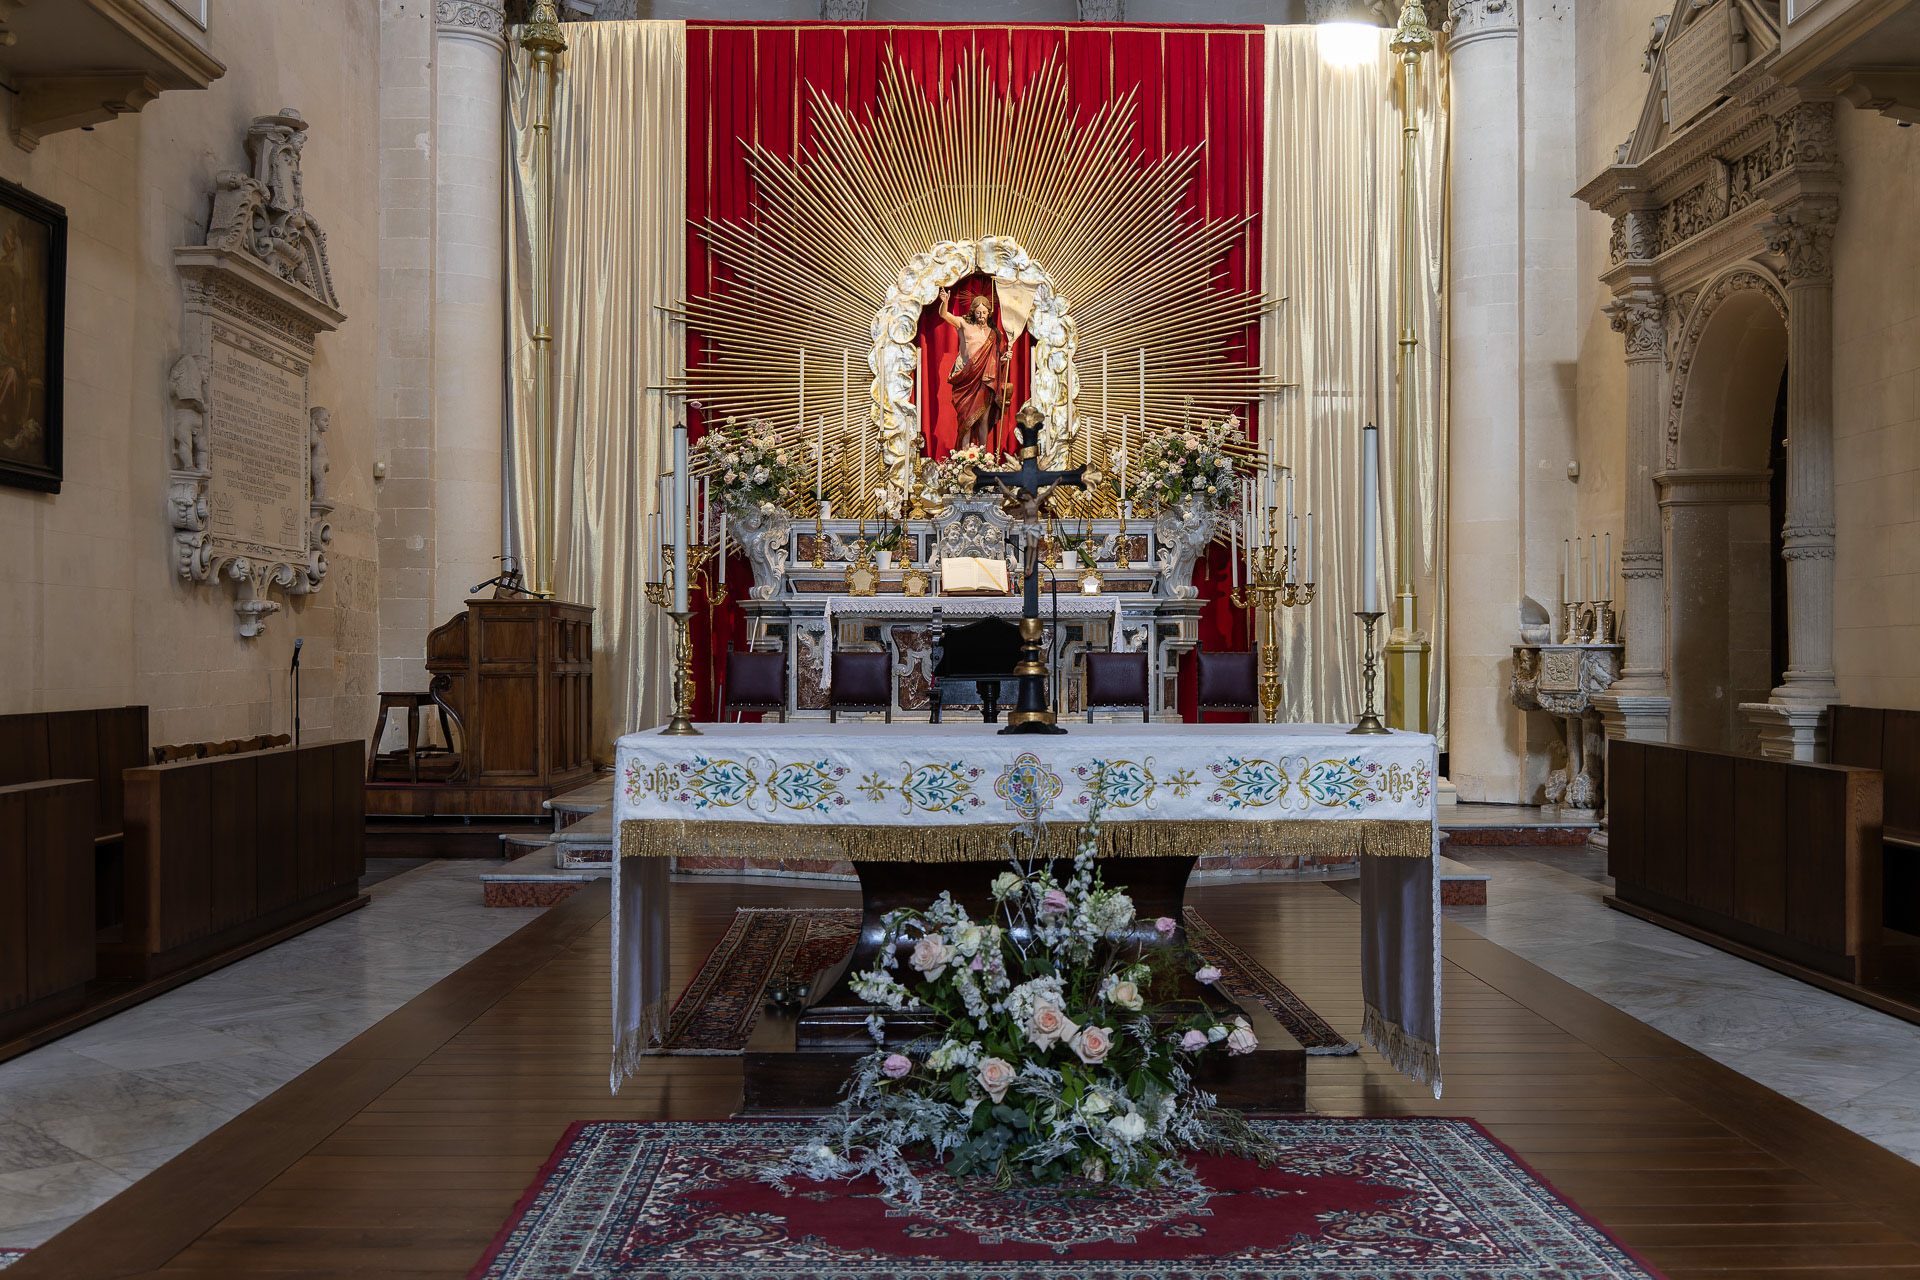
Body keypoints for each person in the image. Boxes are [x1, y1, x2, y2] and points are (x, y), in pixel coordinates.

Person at [937, 285, 1011, 452]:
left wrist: (1004, 359)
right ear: (973, 311)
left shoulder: (994, 333)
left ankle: (985, 457)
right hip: (966, 377)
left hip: (984, 379)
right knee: (965, 417)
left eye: (984, 313)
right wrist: (945, 302)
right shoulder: (963, 324)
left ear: (989, 313)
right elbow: (944, 315)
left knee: (983, 418)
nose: (981, 315)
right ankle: (963, 457)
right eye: (978, 312)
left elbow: (995, 360)